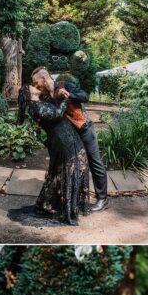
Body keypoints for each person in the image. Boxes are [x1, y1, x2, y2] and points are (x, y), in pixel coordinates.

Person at [32, 67, 108, 212]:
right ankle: (76, 199)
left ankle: (102, 199)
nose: (36, 86)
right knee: (78, 166)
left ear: (43, 78)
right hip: (70, 137)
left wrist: (69, 94)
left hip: (85, 130)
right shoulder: (45, 97)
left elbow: (84, 96)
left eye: (36, 82)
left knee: (95, 163)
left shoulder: (64, 84)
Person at [18, 83, 91, 225]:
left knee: (65, 171)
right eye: (31, 86)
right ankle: (66, 207)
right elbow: (57, 114)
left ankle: (53, 203)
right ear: (28, 93)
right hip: (63, 140)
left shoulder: (39, 103)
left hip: (67, 137)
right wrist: (64, 99)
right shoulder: (35, 106)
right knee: (72, 170)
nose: (35, 87)